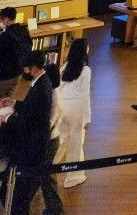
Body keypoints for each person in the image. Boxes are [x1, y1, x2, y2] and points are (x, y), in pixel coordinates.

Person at [0, 50, 54, 215]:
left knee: (18, 197)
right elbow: (31, 109)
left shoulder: (40, 90)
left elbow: (28, 122)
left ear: (34, 68)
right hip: (29, 148)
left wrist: (6, 119)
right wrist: (15, 103)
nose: (24, 72)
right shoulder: (42, 83)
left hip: (30, 150)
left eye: (26, 69)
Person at [58, 38, 91, 188]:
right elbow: (85, 95)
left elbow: (58, 87)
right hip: (76, 110)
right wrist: (88, 117)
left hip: (62, 107)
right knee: (76, 144)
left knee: (61, 141)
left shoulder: (65, 67)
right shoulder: (86, 71)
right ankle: (74, 176)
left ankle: (46, 167)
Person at [40, 58, 64, 215]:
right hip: (51, 139)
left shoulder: (54, 99)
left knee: (46, 176)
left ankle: (55, 208)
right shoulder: (54, 94)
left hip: (49, 141)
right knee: (47, 175)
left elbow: (48, 125)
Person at [0, 7, 32, 98]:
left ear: (5, 20)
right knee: (9, 98)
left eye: (1, 20)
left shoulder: (5, 36)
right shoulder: (24, 30)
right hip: (18, 73)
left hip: (4, 76)